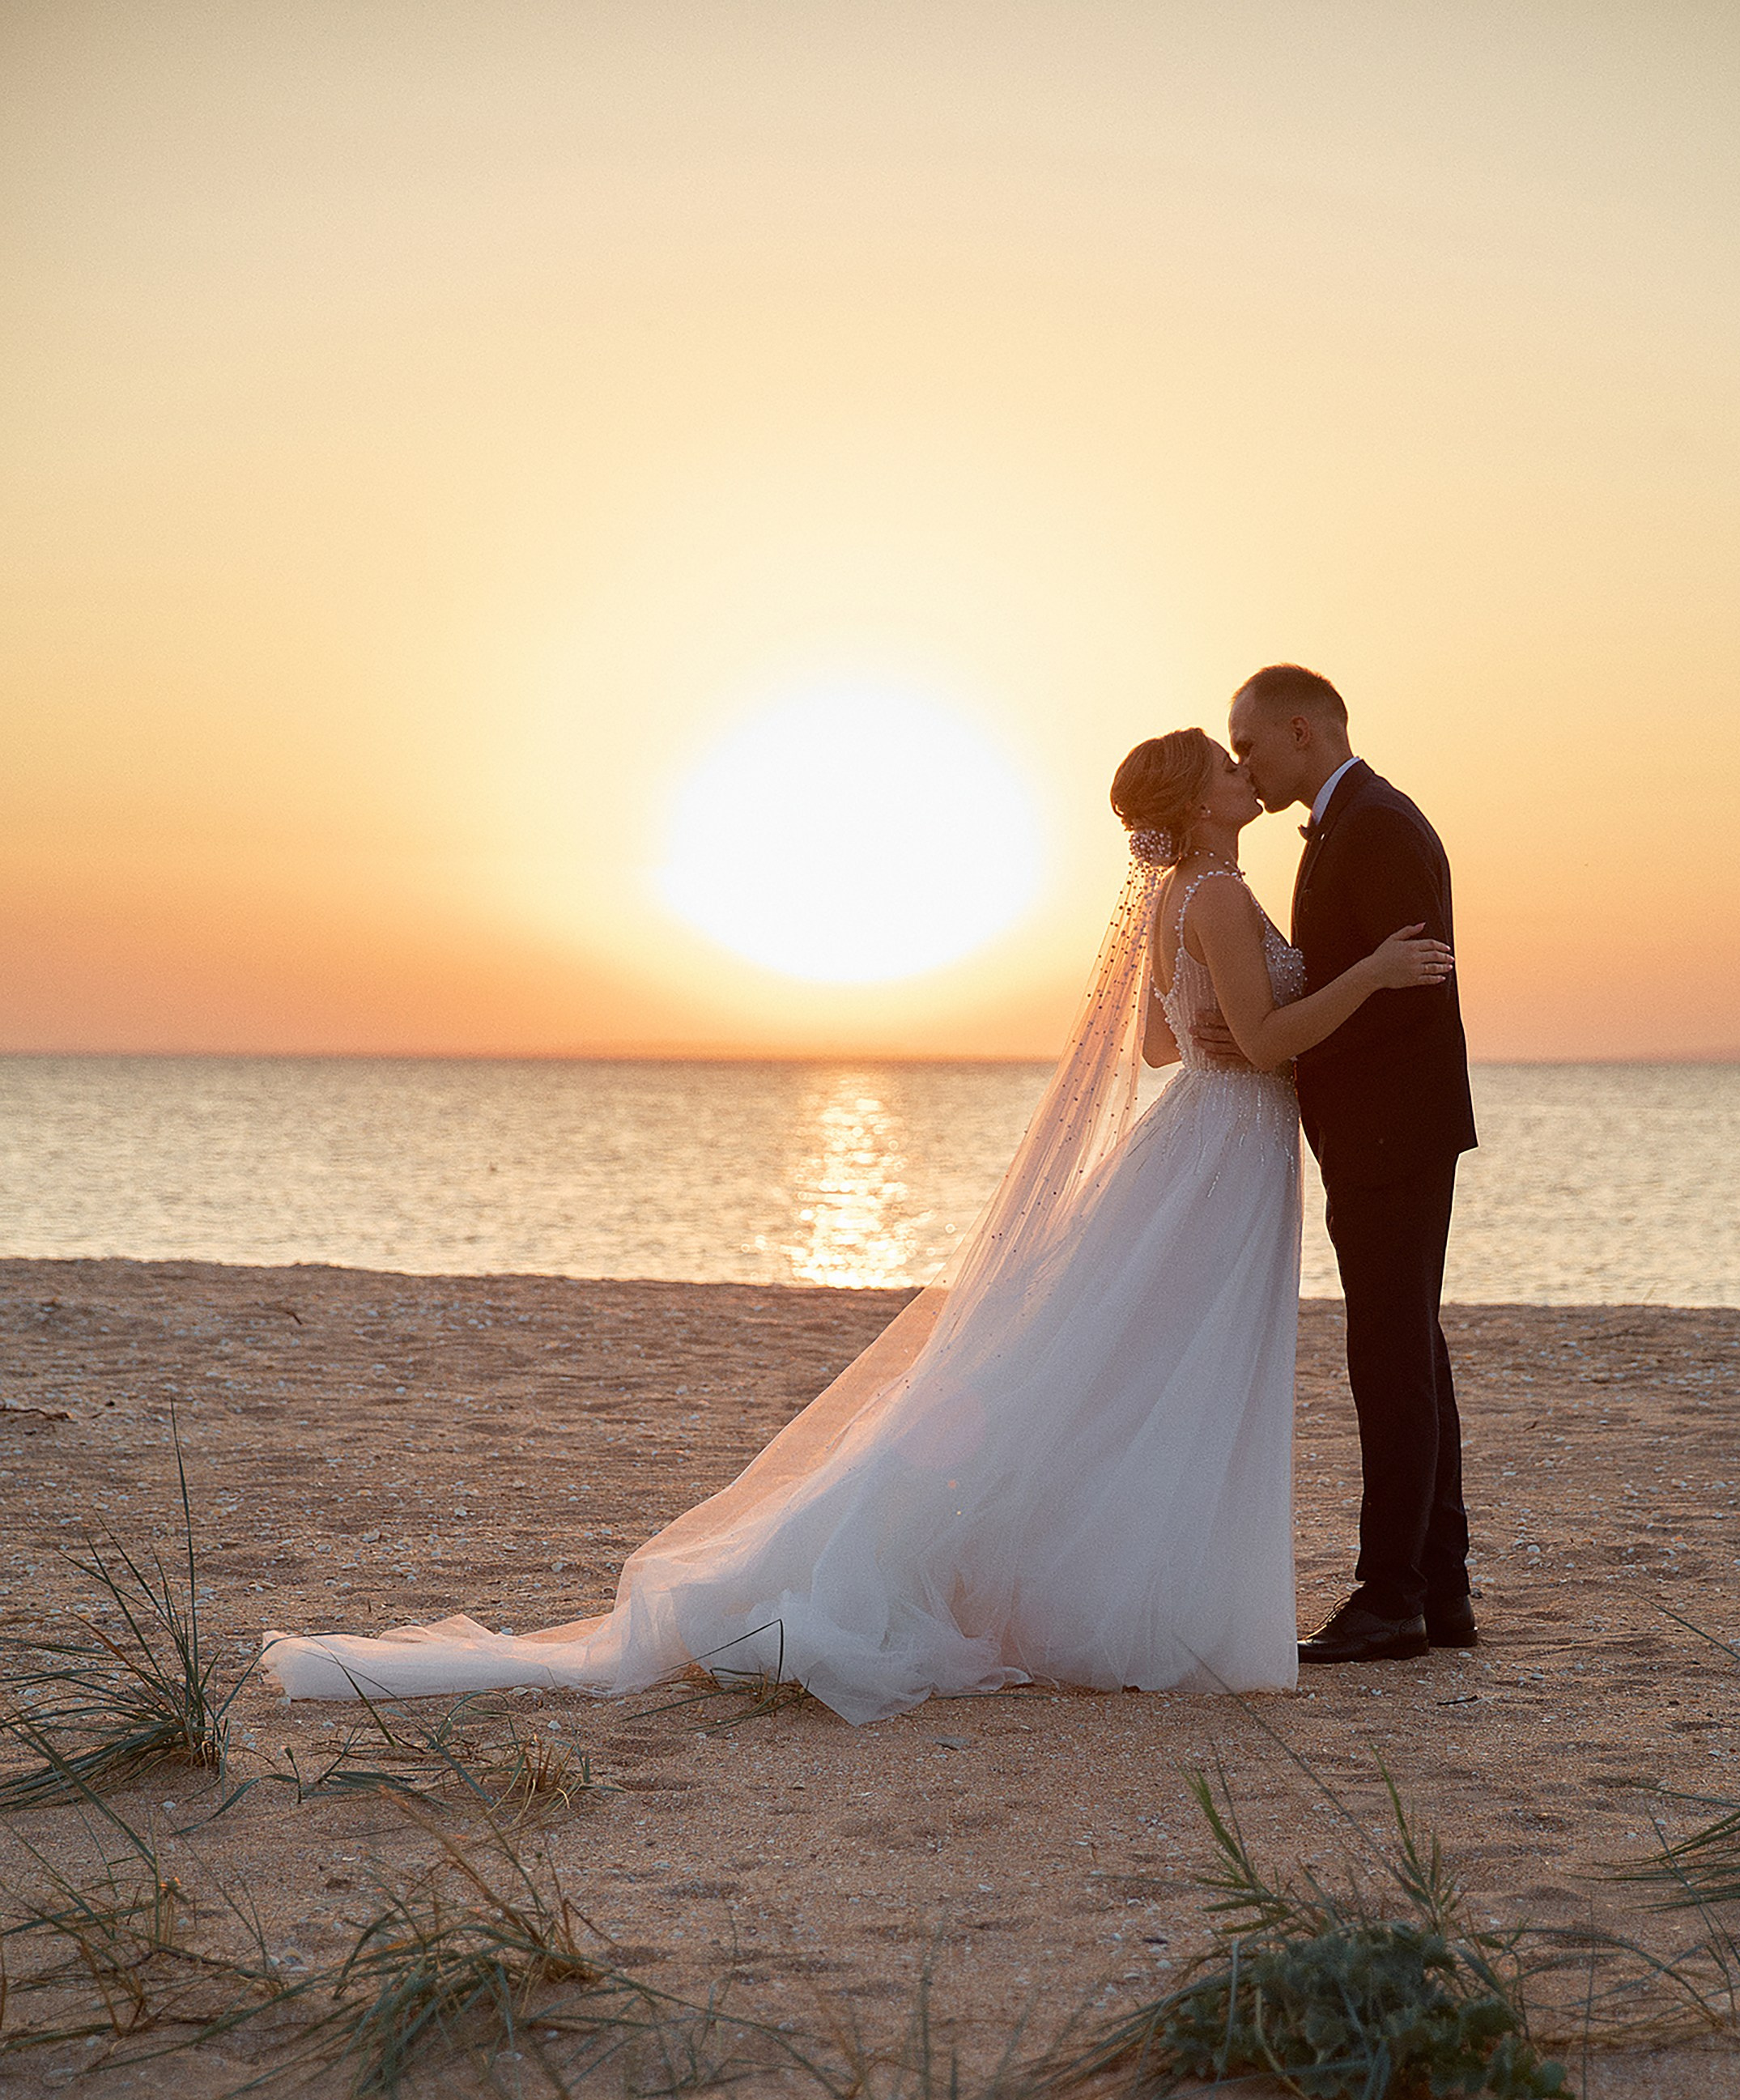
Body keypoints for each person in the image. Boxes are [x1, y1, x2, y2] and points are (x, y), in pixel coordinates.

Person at [260, 727, 1450, 1726]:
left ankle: (1112, 1586)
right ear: (1200, 806)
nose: (1251, 777)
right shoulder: (1226, 892)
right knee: (1178, 1377)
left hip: (1203, 1137)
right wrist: (1373, 976)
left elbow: (1158, 1045)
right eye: (1229, 772)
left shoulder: (1169, 902)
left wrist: (1233, 1037)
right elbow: (1275, 1038)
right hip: (1225, 1149)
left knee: (1139, 1373)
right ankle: (1134, 1601)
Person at [1227, 664, 1478, 1663]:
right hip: (1379, 1130)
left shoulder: (1374, 824)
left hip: (1391, 1132)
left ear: (1300, 732)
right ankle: (1438, 1594)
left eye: (1247, 746)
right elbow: (1356, 977)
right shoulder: (1348, 822)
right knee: (1410, 1353)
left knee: (1389, 1362)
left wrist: (1286, 1039)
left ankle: (1390, 1599)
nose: (1243, 765)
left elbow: (1407, 991)